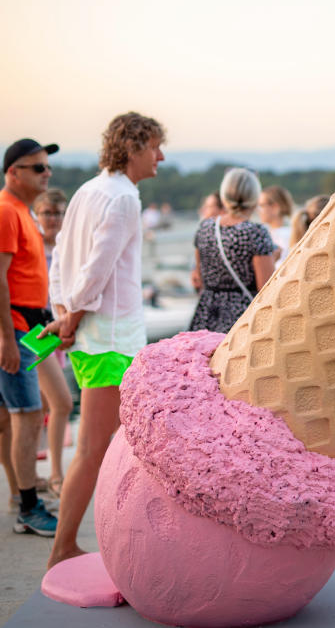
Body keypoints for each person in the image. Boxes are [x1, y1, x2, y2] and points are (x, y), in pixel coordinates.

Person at [44, 113, 163, 566]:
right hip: (110, 340)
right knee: (95, 449)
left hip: (93, 336)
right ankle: (63, 548)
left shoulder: (87, 190)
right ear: (133, 148)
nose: (161, 156)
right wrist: (71, 317)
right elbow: (98, 268)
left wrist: (63, 312)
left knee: (105, 448)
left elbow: (61, 264)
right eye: (154, 146)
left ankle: (102, 541)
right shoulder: (124, 198)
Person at [0, 138, 58, 536]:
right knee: (27, 416)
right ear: (13, 173)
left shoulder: (21, 212)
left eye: (47, 166)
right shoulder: (7, 211)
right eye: (37, 167)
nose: (46, 173)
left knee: (12, 417)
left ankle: (20, 495)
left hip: (31, 326)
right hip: (17, 328)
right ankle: (28, 506)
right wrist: (6, 340)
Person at [187, 168, 276, 334]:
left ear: (224, 196)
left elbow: (199, 276)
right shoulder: (255, 232)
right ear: (254, 197)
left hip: (207, 312)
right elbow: (266, 289)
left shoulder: (206, 227)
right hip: (241, 317)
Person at [33, 190, 73, 499]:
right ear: (37, 214)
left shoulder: (66, 247)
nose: (53, 219)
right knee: (56, 404)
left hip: (56, 329)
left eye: (59, 213)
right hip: (34, 332)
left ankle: (42, 474)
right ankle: (53, 475)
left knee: (47, 405)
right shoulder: (31, 245)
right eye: (47, 212)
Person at [258, 185, 294, 261]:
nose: (258, 210)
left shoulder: (285, 235)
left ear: (275, 207)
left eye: (261, 205)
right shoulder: (270, 232)